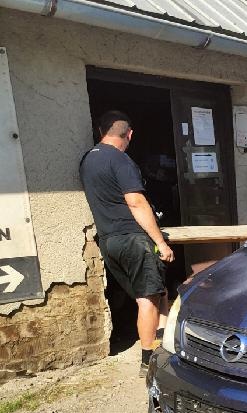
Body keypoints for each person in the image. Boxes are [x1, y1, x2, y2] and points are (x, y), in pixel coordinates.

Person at [79, 110, 175, 376]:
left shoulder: (87, 160)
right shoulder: (121, 160)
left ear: (101, 132)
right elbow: (136, 201)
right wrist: (161, 243)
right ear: (129, 134)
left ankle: (164, 342)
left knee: (157, 292)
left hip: (109, 240)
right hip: (134, 239)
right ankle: (149, 361)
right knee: (148, 300)